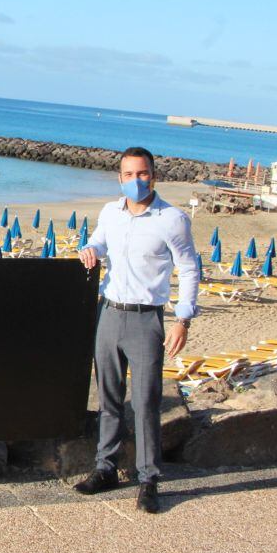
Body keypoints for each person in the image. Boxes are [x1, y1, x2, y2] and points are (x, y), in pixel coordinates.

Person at [73, 146, 199, 513]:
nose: (135, 180)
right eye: (128, 174)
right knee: (109, 398)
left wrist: (183, 319)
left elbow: (190, 270)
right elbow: (98, 239)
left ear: (154, 176)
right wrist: (90, 249)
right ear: (120, 178)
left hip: (147, 319)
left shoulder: (173, 219)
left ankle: (148, 480)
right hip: (109, 312)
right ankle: (106, 468)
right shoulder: (110, 212)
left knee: (145, 402)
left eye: (142, 174)